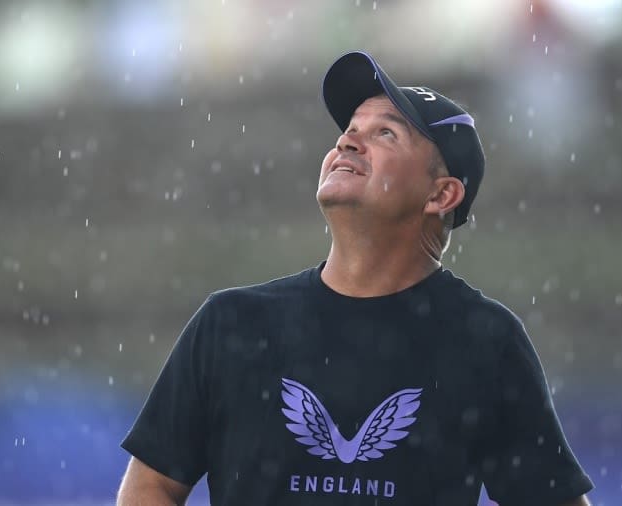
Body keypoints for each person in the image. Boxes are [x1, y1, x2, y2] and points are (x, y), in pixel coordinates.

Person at [117, 50, 593, 506]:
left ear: (441, 194)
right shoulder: (230, 324)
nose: (347, 141)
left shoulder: (486, 342)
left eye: (386, 133)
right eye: (349, 130)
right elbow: (150, 488)